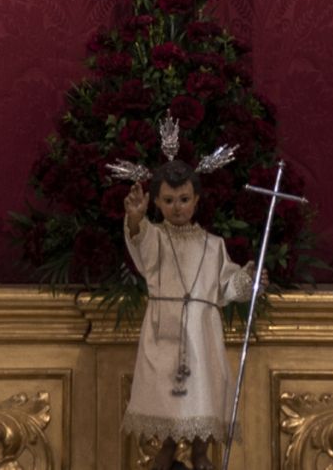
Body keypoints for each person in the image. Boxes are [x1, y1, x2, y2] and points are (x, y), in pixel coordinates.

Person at [122, 158, 252, 468]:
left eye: (183, 199)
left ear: (196, 200)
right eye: (168, 200)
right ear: (156, 202)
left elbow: (225, 285)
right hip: (164, 328)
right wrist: (136, 219)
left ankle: (200, 452)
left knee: (203, 388)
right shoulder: (155, 237)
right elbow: (138, 241)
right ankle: (166, 448)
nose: (177, 207)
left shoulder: (213, 245)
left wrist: (247, 279)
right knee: (168, 393)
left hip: (201, 330)